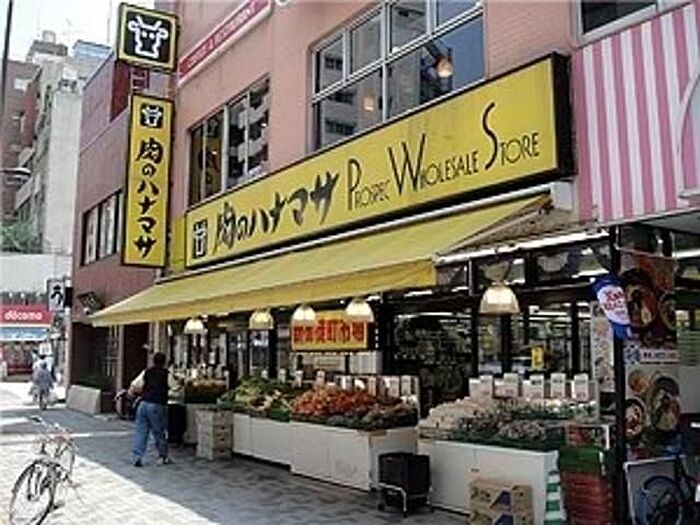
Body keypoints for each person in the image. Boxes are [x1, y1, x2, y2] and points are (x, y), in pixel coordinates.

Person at [130, 352, 171, 467]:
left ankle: (137, 457)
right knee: (159, 432)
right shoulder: (166, 374)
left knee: (141, 431)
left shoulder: (146, 372)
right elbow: (175, 387)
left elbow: (135, 385)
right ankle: (162, 457)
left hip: (143, 404)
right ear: (164, 362)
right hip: (157, 404)